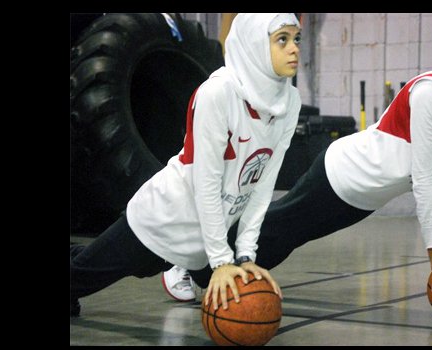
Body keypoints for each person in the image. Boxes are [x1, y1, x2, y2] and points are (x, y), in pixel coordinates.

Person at [164, 55, 432, 297]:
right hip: (339, 174)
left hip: (364, 198)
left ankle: (210, 271)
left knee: (282, 241)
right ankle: (185, 262)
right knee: (277, 232)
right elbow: (425, 180)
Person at [70, 13, 302, 317]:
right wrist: (221, 261)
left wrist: (245, 254)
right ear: (254, 44)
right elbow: (204, 182)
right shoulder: (218, 93)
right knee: (83, 276)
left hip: (204, 237)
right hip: (163, 219)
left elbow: (261, 185)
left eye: (296, 38)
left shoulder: (289, 102)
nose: (294, 48)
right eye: (281, 39)